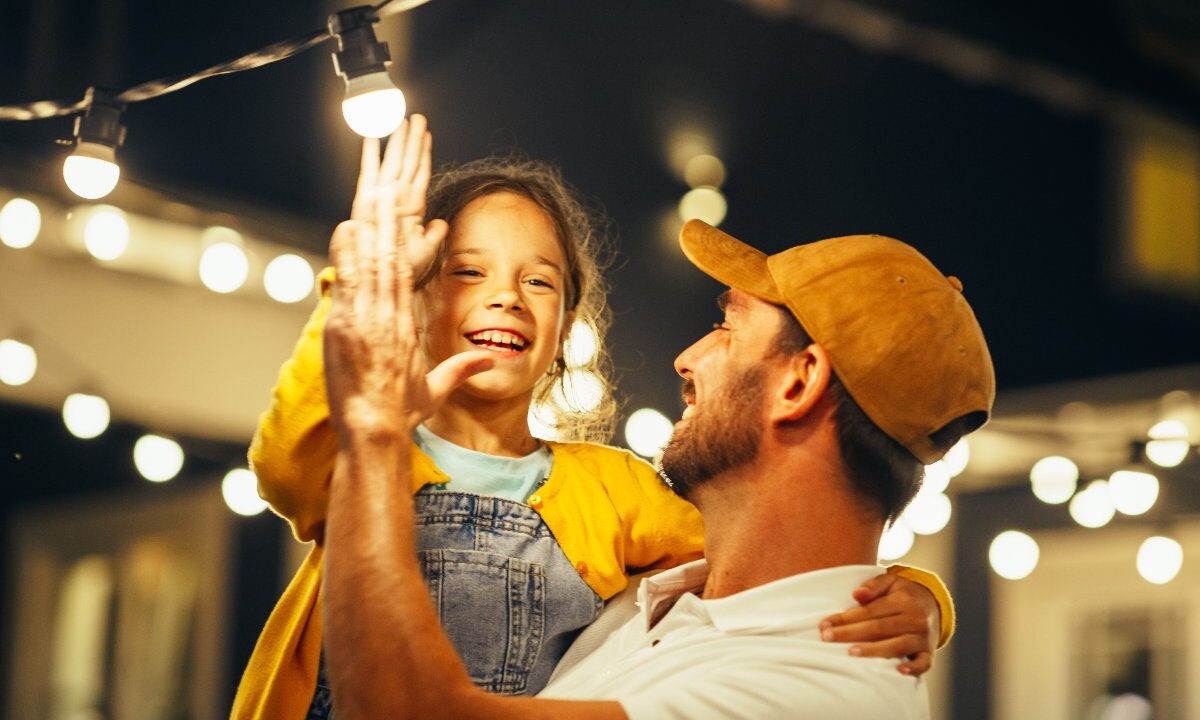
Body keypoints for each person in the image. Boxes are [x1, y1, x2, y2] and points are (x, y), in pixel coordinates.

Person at [231, 116, 955, 719]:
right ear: (418, 299)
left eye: (727, 328)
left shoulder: (610, 495)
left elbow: (777, 554)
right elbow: (291, 447)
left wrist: (914, 595)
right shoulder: (351, 457)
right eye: (466, 270)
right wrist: (357, 297)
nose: (506, 297)